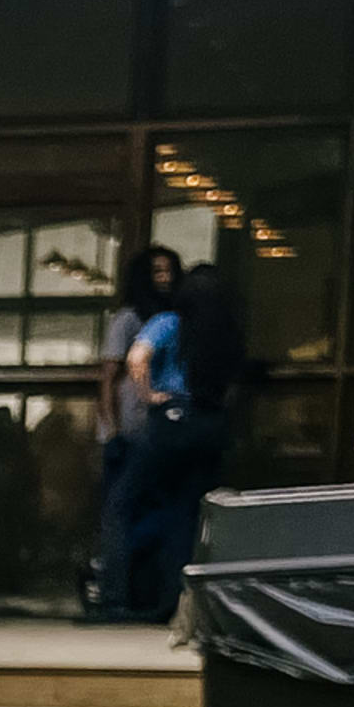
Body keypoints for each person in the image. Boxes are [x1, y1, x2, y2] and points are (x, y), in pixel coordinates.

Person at [111, 264, 246, 623]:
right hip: (209, 423)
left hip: (171, 420)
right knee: (187, 514)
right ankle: (175, 599)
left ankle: (118, 592)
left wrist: (148, 395)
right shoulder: (225, 332)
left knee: (123, 503)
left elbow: (136, 358)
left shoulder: (170, 322)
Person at [90, 242, 184, 620]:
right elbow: (109, 377)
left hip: (159, 433)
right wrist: (111, 431)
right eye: (156, 272)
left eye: (169, 271)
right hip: (128, 430)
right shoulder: (130, 319)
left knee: (144, 513)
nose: (164, 279)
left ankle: (142, 593)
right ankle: (115, 595)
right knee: (119, 514)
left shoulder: (174, 321)